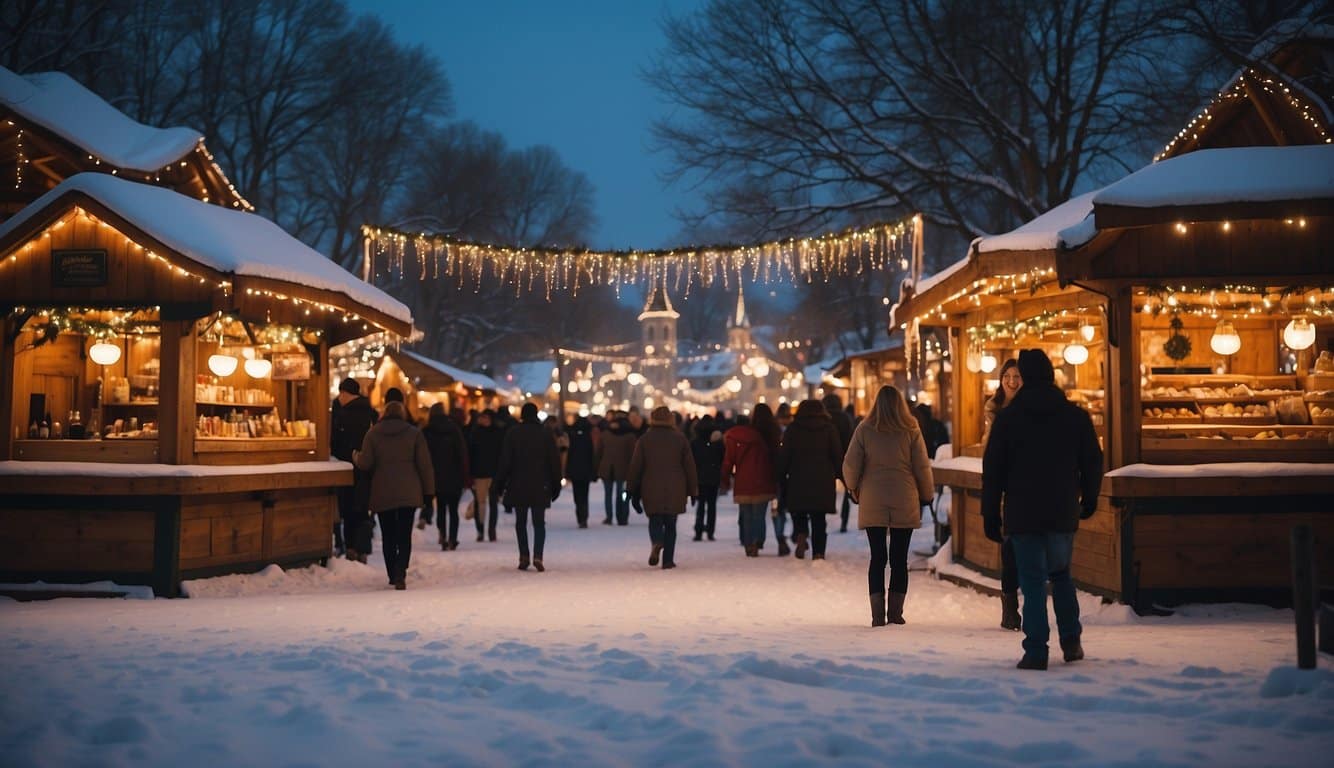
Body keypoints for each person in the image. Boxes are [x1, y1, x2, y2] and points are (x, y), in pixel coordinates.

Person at [983, 349, 1103, 670]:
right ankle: (1071, 640)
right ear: (1050, 375)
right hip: (1063, 509)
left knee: (1032, 581)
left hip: (1023, 513)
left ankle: (1036, 650)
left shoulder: (1008, 420)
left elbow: (993, 470)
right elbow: (1092, 460)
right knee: (1061, 576)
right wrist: (1090, 498)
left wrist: (990, 514)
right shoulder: (1075, 416)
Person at [843, 385, 934, 627]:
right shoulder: (911, 429)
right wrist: (927, 493)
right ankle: (895, 613)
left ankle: (877, 616)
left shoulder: (865, 429)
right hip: (904, 496)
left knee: (877, 558)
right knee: (899, 559)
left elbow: (850, 465)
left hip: (873, 497)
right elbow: (922, 466)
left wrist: (853, 488)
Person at [354, 401, 434, 590]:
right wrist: (429, 492)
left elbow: (365, 463)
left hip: (383, 490)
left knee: (388, 533)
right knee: (404, 534)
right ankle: (401, 572)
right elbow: (425, 465)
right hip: (409, 490)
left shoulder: (373, 433)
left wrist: (355, 456)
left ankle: (391, 572)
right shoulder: (414, 434)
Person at [494, 402, 562, 571]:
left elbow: (505, 461)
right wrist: (556, 485)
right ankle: (538, 555)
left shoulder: (513, 433)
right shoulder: (545, 434)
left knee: (521, 522)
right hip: (541, 484)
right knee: (539, 523)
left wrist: (500, 484)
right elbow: (554, 461)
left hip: (518, 484)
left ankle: (524, 555)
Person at [627, 406, 698, 569]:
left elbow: (635, 466)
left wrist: (631, 490)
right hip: (676, 487)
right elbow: (690, 467)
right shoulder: (680, 439)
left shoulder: (645, 439)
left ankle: (657, 541)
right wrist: (693, 490)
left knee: (655, 519)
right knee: (671, 525)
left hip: (651, 486)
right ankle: (668, 560)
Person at [984, 359, 1024, 631]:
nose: (1012, 381)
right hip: (1008, 485)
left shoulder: (1035, 408)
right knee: (1010, 550)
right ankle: (1010, 608)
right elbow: (991, 452)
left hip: (1029, 485)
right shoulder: (994, 410)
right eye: (1007, 376)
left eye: (1017, 376)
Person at [779, 399, 843, 560]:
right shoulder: (829, 429)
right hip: (822, 480)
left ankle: (801, 534)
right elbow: (837, 455)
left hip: (798, 478)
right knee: (819, 518)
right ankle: (819, 552)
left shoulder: (793, 429)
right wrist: (840, 475)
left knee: (799, 512)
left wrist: (781, 476)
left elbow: (785, 455)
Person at [722, 403, 779, 558]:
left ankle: (748, 543)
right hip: (763, 478)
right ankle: (757, 540)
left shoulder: (734, 437)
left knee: (746, 514)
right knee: (759, 515)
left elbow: (728, 461)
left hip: (743, 480)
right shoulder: (765, 435)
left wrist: (725, 479)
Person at [329, 378, 376, 562]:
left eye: (341, 393)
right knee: (362, 509)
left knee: (348, 509)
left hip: (346, 466)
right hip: (366, 468)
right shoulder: (370, 412)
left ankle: (350, 548)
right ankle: (362, 548)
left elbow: (337, 441)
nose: (339, 397)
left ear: (346, 394)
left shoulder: (343, 413)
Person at [422, 402, 469, 551]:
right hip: (454, 475)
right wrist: (464, 475)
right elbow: (462, 453)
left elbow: (423, 455)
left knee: (441, 509)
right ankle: (452, 539)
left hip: (436, 475)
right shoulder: (454, 429)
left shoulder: (427, 431)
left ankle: (442, 535)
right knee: (453, 510)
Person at [468, 409, 505, 542]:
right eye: (482, 417)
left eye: (486, 418)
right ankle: (480, 530)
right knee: (480, 503)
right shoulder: (475, 432)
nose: (484, 420)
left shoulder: (497, 433)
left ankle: (491, 530)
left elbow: (502, 454)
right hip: (479, 474)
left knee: (493, 503)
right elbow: (470, 454)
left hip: (493, 474)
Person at [596, 411, 636, 525]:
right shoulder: (630, 435)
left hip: (607, 468)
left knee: (608, 494)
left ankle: (609, 516)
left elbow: (599, 452)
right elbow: (633, 454)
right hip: (624, 469)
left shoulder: (605, 433)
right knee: (623, 494)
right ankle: (623, 517)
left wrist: (597, 467)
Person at [823, 393, 855, 532]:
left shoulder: (823, 418)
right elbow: (851, 438)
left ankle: (821, 520)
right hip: (844, 459)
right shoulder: (845, 418)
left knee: (822, 491)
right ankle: (844, 521)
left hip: (826, 460)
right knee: (848, 492)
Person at [690, 415, 724, 541]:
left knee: (700, 506)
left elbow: (691, 460)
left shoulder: (695, 442)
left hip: (700, 477)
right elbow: (721, 458)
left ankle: (698, 531)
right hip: (713, 476)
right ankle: (710, 531)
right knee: (712, 506)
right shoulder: (717, 442)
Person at [565, 413, 596, 528]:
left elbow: (570, 455)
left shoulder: (573, 437)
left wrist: (568, 471)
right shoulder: (588, 438)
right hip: (586, 471)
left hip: (575, 470)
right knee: (584, 494)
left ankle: (580, 515)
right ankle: (584, 517)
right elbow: (592, 456)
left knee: (577, 495)